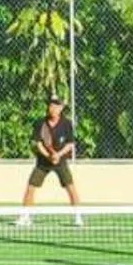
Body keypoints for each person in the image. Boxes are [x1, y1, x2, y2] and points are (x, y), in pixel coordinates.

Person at [16, 96, 82, 227]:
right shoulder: (40, 123)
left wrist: (58, 155)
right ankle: (25, 217)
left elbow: (70, 144)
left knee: (71, 187)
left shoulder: (67, 124)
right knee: (31, 187)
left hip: (61, 162)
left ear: (61, 108)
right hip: (43, 162)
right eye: (51, 105)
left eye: (56, 106)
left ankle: (78, 217)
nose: (52, 108)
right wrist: (48, 156)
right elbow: (38, 143)